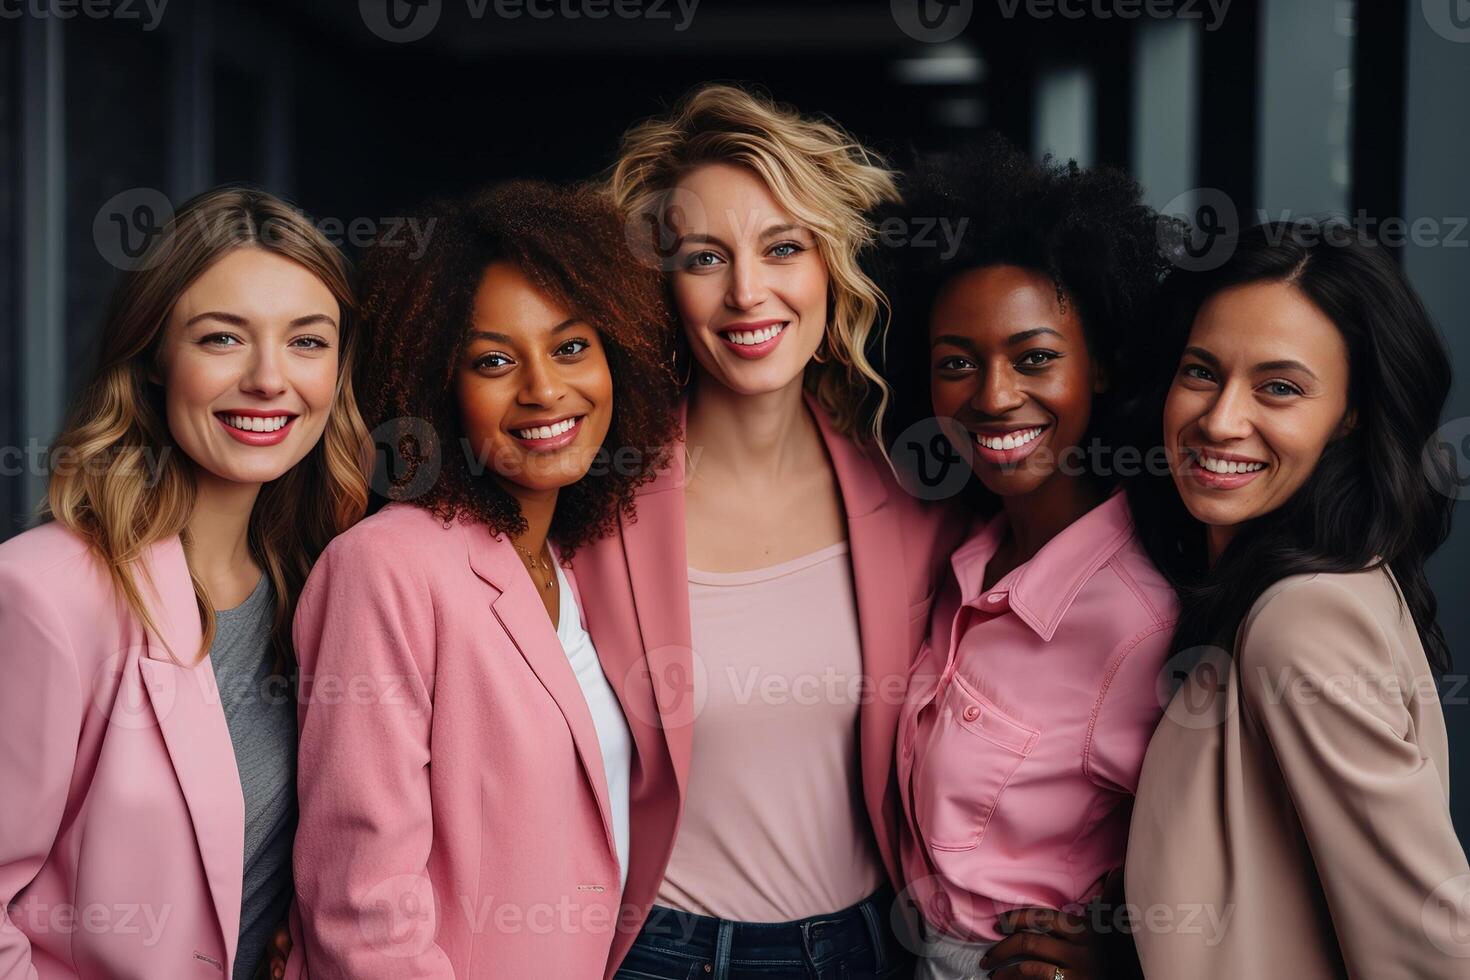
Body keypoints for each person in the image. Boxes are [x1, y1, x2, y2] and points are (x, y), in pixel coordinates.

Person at [570, 83, 962, 979]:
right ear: (660, 284)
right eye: (706, 258)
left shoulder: (918, 498)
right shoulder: (593, 506)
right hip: (657, 953)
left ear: (830, 265)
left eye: (782, 248)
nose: (749, 293)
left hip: (866, 951)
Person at [285, 181, 680, 979]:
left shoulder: (567, 563)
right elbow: (362, 911)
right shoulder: (387, 566)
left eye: (571, 347)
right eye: (494, 361)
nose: (543, 388)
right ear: (439, 387)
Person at [0, 187, 370, 979]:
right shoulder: (42, 593)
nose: (270, 379)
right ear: (154, 360)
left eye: (307, 342)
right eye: (223, 338)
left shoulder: (326, 581)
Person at [1125, 220, 1470, 976]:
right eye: (1202, 372)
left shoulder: (1302, 616)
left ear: (1350, 416)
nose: (1219, 420)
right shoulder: (1295, 584)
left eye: (1279, 388)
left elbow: (1429, 940)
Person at [881, 138, 1178, 980]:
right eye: (956, 365)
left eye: (1035, 356)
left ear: (1104, 364)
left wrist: (1124, 953)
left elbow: (1239, 847)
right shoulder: (962, 560)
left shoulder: (1140, 616)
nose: (994, 395)